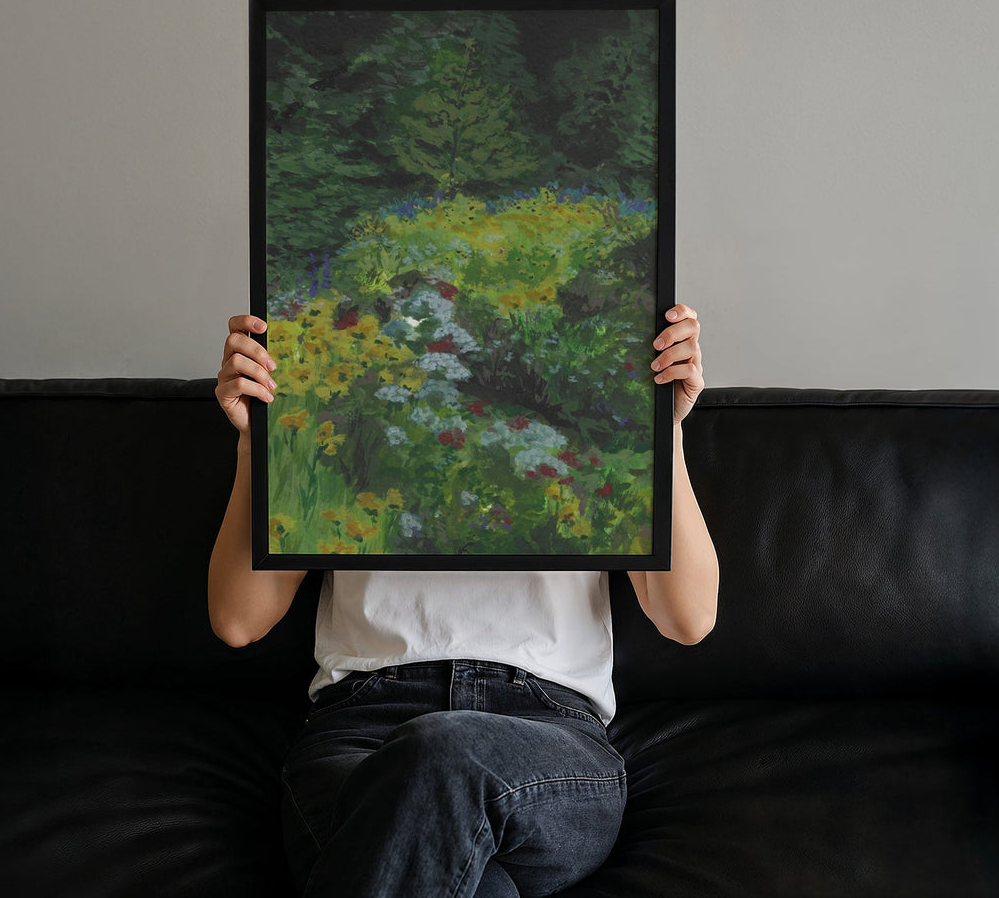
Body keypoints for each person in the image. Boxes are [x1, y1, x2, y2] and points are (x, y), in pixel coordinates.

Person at [209, 303, 718, 898]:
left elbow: (689, 617)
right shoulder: (348, 420)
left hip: (547, 737)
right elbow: (238, 619)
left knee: (447, 753)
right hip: (361, 732)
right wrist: (258, 444)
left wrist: (661, 425)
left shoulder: (585, 427)